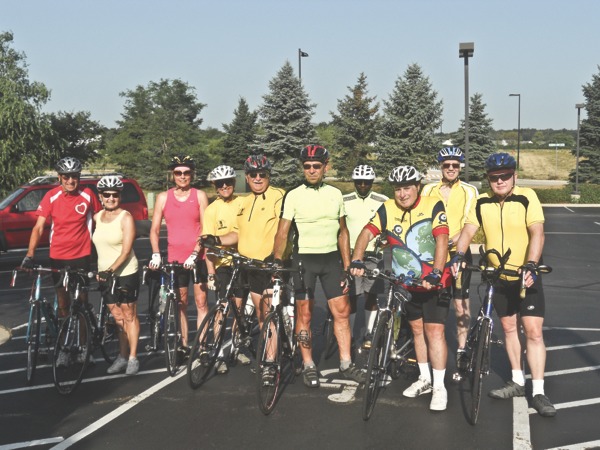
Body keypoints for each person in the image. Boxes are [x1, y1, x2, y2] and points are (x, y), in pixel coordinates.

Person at [451, 152, 556, 417]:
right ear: (488, 179)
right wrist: (458, 255)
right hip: (497, 275)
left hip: (525, 274)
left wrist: (531, 264)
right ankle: (518, 381)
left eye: (505, 176)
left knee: (532, 330)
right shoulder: (481, 201)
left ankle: (540, 391)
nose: (499, 181)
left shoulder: (526, 197)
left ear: (514, 176)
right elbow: (467, 231)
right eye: (494, 177)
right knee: (509, 329)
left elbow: (537, 232)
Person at [350, 165, 452, 411]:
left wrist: (437, 272)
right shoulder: (387, 208)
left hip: (434, 281)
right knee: (417, 330)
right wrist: (357, 258)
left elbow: (441, 239)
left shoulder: (433, 204)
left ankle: (439, 386)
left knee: (434, 332)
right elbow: (366, 232)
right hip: (406, 282)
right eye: (398, 189)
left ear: (417, 187)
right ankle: (425, 378)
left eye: (407, 188)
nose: (403, 193)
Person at [272, 145, 366, 388]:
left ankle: (346, 363)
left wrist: (346, 265)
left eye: (316, 166)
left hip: (331, 260)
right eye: (307, 166)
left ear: (326, 167)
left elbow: (343, 232)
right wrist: (277, 260)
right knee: (305, 314)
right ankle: (308, 364)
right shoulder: (293, 195)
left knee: (342, 312)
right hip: (304, 260)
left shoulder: (335, 194)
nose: (311, 170)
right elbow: (282, 233)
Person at [201, 154, 286, 371]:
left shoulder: (280, 196)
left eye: (262, 174)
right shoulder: (245, 202)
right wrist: (217, 240)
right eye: (253, 175)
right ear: (246, 178)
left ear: (268, 176)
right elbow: (237, 233)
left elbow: (284, 231)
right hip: (248, 266)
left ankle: (270, 363)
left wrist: (276, 256)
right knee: (260, 315)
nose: (258, 178)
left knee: (268, 315)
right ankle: (267, 354)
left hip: (269, 266)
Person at [22, 157, 102, 321]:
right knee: (63, 302)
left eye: (75, 176)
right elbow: (38, 228)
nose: (71, 181)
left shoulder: (87, 195)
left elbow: (101, 220)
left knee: (82, 302)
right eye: (66, 177)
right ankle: (64, 339)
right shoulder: (51, 196)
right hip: (58, 256)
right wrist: (30, 255)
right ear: (59, 177)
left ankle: (84, 343)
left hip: (82, 255)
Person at [421, 147, 478, 371]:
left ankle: (462, 349)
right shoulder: (428, 189)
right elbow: (423, 216)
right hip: (434, 253)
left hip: (457, 253)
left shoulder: (469, 190)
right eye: (447, 165)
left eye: (455, 165)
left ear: (460, 166)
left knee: (460, 301)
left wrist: (452, 241)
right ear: (441, 167)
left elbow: (469, 221)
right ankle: (434, 343)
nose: (451, 168)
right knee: (433, 299)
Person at [149, 155, 209, 357]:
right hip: (175, 258)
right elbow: (154, 229)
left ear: (192, 175)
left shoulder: (199, 195)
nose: (182, 176)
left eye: (186, 173)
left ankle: (202, 346)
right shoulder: (163, 198)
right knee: (181, 304)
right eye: (178, 173)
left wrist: (195, 252)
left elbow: (206, 229)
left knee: (201, 302)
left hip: (197, 258)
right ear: (173, 175)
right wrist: (156, 253)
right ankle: (184, 343)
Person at [203, 165, 249, 374]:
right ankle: (219, 353)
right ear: (215, 186)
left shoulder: (244, 203)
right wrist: (211, 272)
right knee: (222, 309)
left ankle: (237, 346)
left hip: (244, 262)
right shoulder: (211, 210)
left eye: (228, 182)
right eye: (220, 184)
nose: (224, 187)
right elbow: (208, 245)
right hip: (223, 266)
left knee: (239, 308)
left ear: (234, 183)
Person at [92, 175, 140, 375]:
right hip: (105, 275)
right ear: (100, 196)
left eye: (115, 195)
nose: (111, 198)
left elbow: (126, 251)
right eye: (107, 195)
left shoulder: (126, 217)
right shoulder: (96, 217)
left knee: (129, 316)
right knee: (118, 318)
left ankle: (133, 358)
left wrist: (110, 270)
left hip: (125, 273)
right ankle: (121, 356)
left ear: (120, 196)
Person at [342, 164, 388, 347]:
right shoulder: (344, 199)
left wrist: (386, 238)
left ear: (371, 182)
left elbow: (389, 225)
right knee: (352, 296)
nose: (362, 185)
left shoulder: (382, 200)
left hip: (373, 255)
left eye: (366, 182)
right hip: (351, 254)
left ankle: (369, 333)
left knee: (371, 295)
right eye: (359, 182)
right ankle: (351, 334)